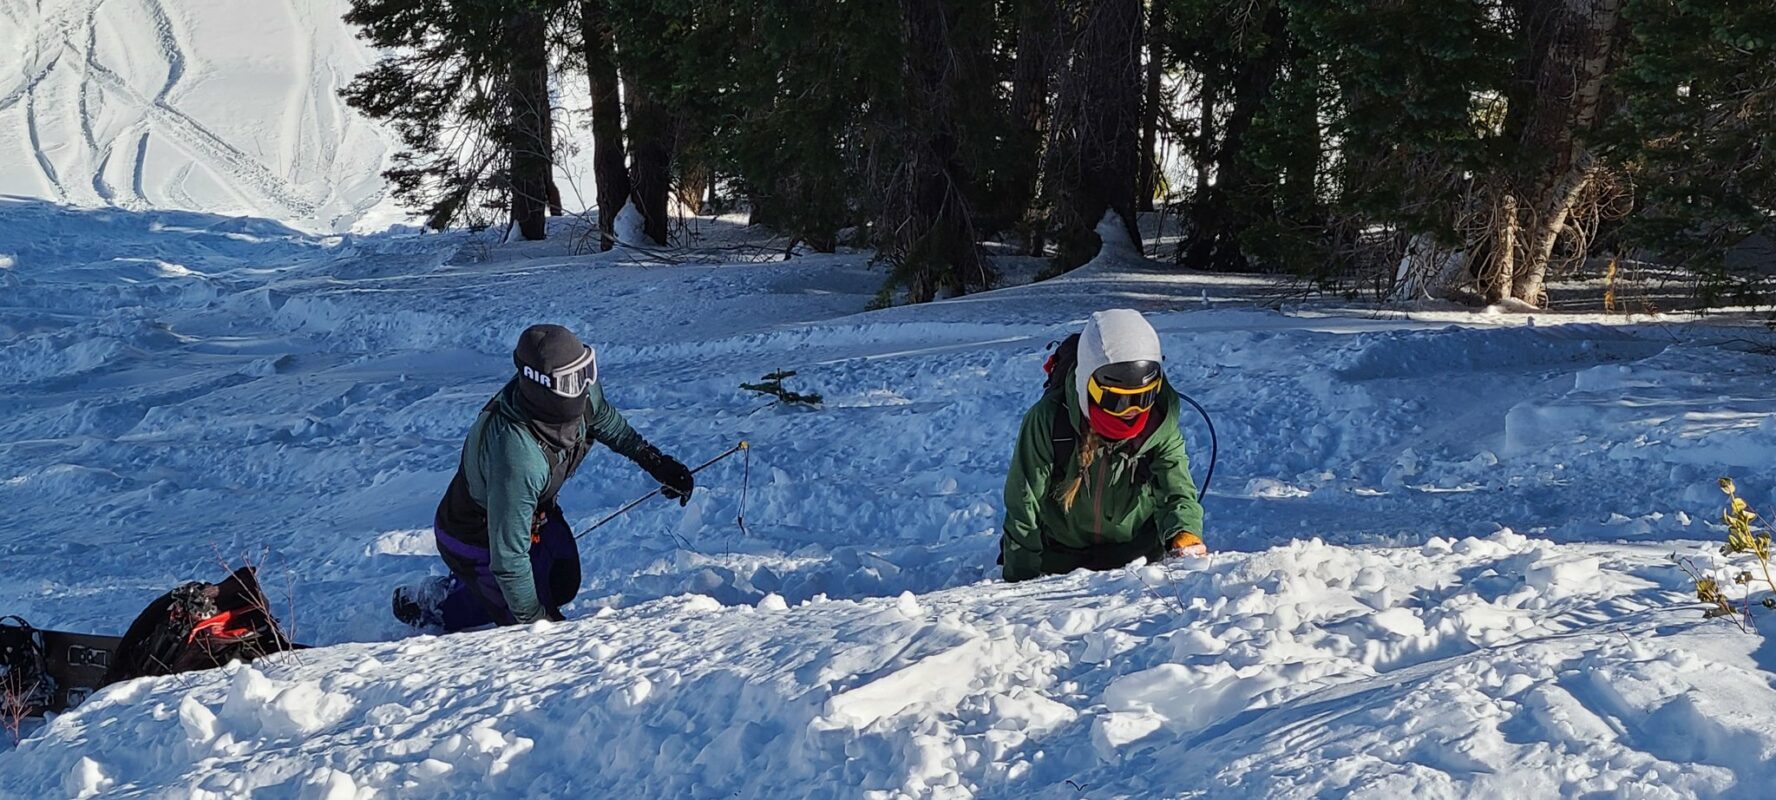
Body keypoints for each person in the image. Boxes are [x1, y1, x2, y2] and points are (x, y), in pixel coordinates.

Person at [394, 324, 695, 630]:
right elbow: (509, 559)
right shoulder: (516, 453)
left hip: (531, 514)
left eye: (587, 370)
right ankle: (436, 603)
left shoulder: (584, 392)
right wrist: (537, 628)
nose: (584, 386)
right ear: (540, 384)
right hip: (475, 534)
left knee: (562, 584)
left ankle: (480, 591)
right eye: (572, 380)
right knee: (520, 604)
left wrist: (656, 462)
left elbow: (605, 420)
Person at [1000, 309, 1205, 582]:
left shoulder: (1158, 422)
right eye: (1116, 399)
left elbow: (1176, 489)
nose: (1130, 411)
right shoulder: (1049, 419)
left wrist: (1185, 532)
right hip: (1059, 560)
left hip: (1135, 560)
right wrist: (1019, 579)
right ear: (1087, 385)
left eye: (1143, 397)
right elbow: (1023, 504)